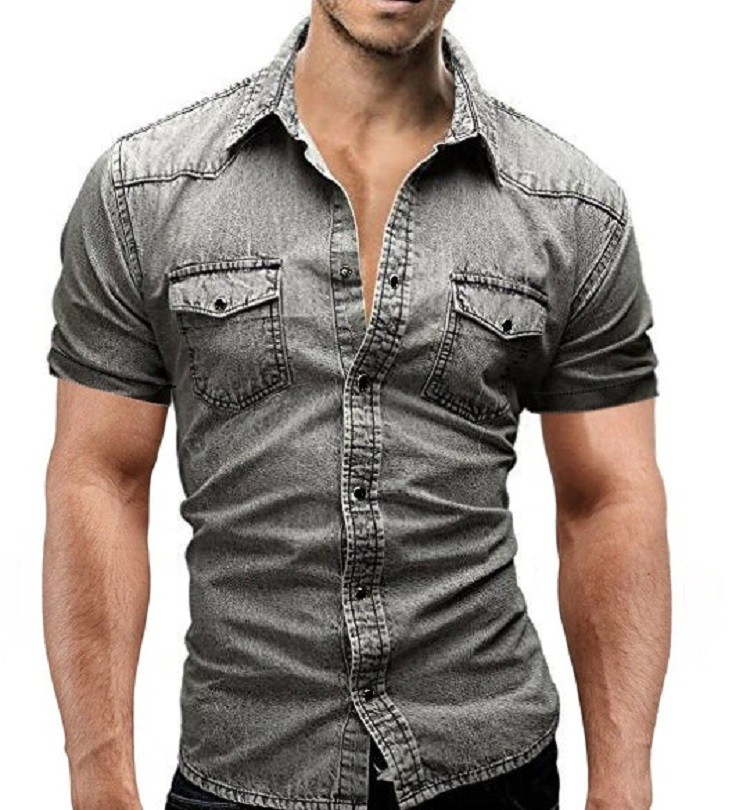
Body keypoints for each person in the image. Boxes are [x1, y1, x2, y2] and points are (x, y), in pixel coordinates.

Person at [43, 2, 670, 809]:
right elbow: (99, 480)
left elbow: (607, 499)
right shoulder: (145, 193)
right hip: (246, 769)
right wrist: (99, 779)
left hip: (490, 768)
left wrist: (622, 783)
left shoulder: (572, 210)